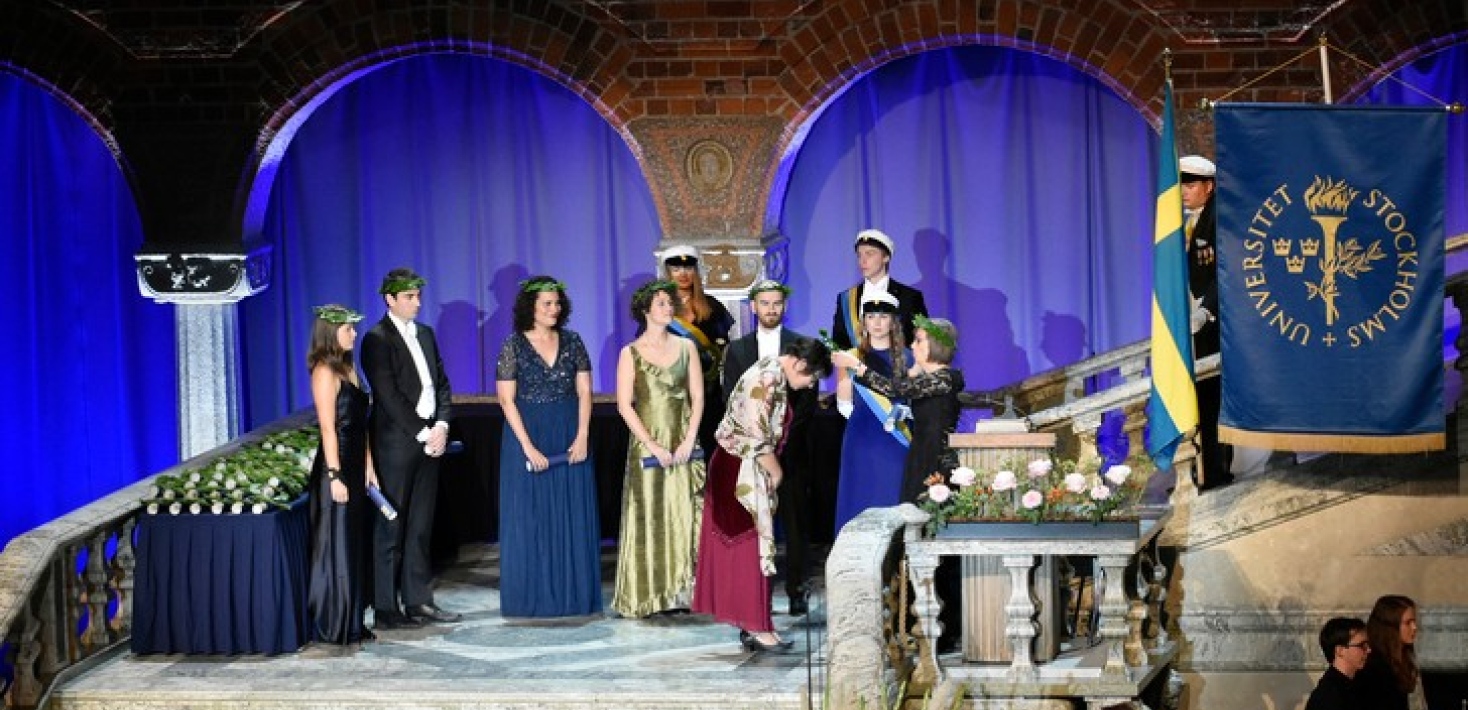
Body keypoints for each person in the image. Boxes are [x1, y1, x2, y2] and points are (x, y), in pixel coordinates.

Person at [832, 315, 964, 651]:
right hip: (919, 462)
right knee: (915, 542)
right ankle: (915, 620)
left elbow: (896, 389)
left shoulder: (945, 378)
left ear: (933, 346)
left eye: (919, 340)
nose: (914, 345)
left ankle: (945, 627)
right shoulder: (932, 377)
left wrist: (857, 368)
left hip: (935, 467)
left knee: (934, 544)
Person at [694, 337, 831, 652]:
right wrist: (777, 472)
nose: (810, 384)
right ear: (798, 363)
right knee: (749, 547)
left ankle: (754, 621)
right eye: (811, 377)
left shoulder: (775, 373)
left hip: (743, 465)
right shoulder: (766, 378)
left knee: (753, 546)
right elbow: (756, 436)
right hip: (739, 469)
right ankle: (755, 625)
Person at [494, 276, 601, 618]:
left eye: (557, 303)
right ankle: (530, 598)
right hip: (528, 435)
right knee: (531, 519)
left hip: (569, 431)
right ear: (531, 307)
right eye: (547, 304)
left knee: (572, 515)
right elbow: (506, 401)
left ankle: (573, 597)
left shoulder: (573, 341)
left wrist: (583, 434)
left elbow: (585, 391)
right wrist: (527, 446)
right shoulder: (513, 345)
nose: (554, 309)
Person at [360, 267, 460, 629]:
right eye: (409, 297)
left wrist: (443, 427)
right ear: (390, 299)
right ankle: (386, 607)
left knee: (420, 525)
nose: (417, 302)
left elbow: (442, 384)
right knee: (392, 526)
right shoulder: (377, 339)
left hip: (430, 441)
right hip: (397, 445)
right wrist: (423, 433)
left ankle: (419, 600)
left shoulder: (426, 334)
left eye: (418, 296)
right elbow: (388, 395)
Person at [720, 279, 817, 616]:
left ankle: (796, 589)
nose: (771, 309)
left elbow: (807, 402)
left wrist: (781, 443)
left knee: (794, 523)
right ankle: (752, 596)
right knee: (751, 526)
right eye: (765, 303)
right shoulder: (738, 350)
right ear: (753, 307)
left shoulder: (800, 345)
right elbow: (731, 399)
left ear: (784, 306)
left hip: (792, 450)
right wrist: (761, 449)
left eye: (777, 303)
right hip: (750, 453)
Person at [611, 279, 706, 618]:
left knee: (685, 513)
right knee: (651, 515)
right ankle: (651, 593)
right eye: (662, 303)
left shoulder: (687, 348)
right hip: (649, 442)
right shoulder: (630, 353)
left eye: (670, 303)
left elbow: (697, 396)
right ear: (645, 310)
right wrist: (651, 445)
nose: (669, 308)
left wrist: (690, 438)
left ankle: (684, 592)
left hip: (682, 438)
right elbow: (625, 405)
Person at [305, 304, 377, 645]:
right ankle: (336, 621)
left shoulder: (349, 368)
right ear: (330, 332)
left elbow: (362, 425)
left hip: (355, 460)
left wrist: (368, 464)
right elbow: (328, 428)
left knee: (354, 543)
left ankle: (354, 618)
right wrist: (335, 476)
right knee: (338, 544)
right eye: (348, 329)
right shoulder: (324, 372)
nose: (353, 333)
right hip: (336, 464)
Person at [832, 290, 913, 534]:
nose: (877, 323)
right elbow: (844, 405)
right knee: (860, 498)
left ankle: (896, 565)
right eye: (871, 316)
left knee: (892, 496)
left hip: (896, 437)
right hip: (861, 436)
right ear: (864, 322)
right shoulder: (852, 357)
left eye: (883, 317)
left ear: (893, 322)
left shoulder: (909, 357)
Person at [1180, 154, 1234, 491]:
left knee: (1213, 400)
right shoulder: (1189, 220)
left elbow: (1226, 271)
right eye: (1182, 185)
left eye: (1191, 184)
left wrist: (1207, 311)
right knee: (1201, 400)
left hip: (1213, 327)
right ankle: (1206, 470)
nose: (1184, 191)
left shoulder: (1218, 217)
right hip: (1195, 326)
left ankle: (1217, 473)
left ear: (1209, 186)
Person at [662, 245, 734, 461]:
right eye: (676, 269)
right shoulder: (659, 307)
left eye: (688, 268)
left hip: (707, 392)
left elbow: (722, 349)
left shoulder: (712, 307)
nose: (683, 275)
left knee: (709, 454)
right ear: (668, 273)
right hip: (672, 393)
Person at [829, 228, 928, 350]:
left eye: (869, 254)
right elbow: (839, 343)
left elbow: (921, 341)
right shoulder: (846, 298)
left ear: (886, 257)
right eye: (859, 255)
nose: (862, 261)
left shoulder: (910, 297)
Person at [1357, 595, 1427, 710]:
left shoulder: (1404, 660)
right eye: (1408, 622)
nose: (1414, 627)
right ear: (1390, 627)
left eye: (1414, 621)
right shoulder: (1374, 669)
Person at [1305, 617, 1369, 710]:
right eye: (1362, 645)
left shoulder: (1355, 685)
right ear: (1340, 650)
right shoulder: (1329, 696)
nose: (1369, 650)